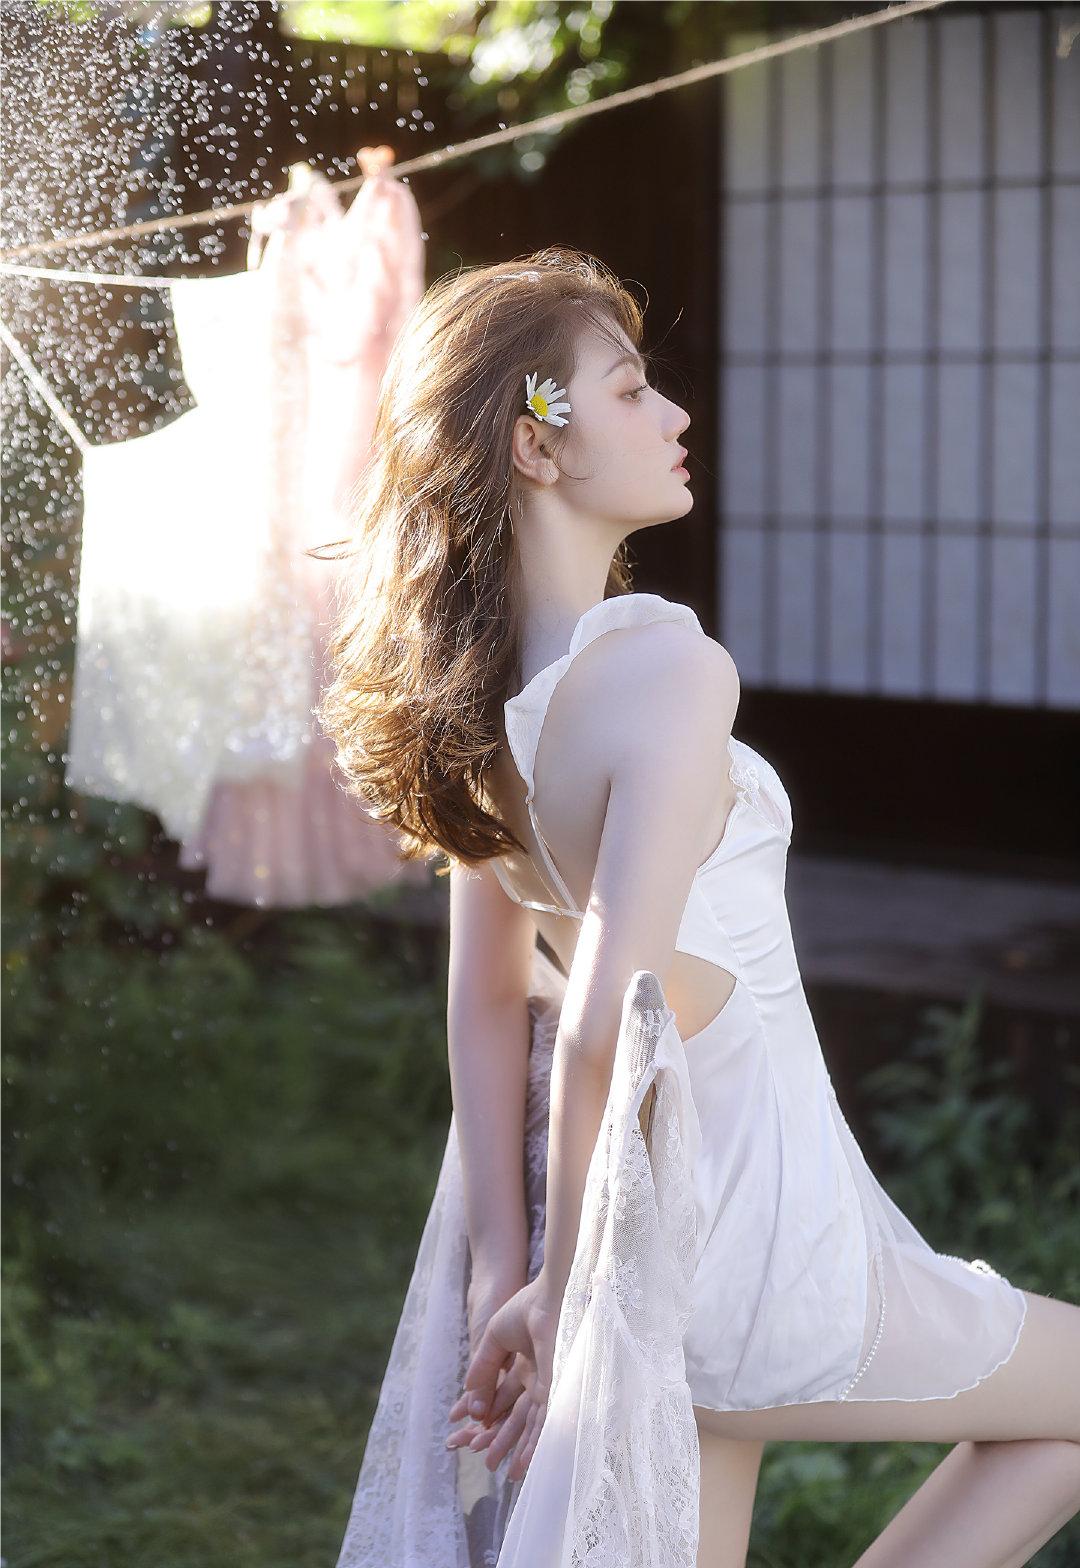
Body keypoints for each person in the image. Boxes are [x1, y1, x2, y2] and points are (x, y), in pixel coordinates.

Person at [315, 246, 1080, 1568]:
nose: (673, 414)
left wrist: (514, 1265)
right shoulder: (668, 667)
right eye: (628, 392)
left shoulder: (478, 699)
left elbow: (489, 1001)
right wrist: (559, 1291)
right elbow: (603, 1012)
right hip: (749, 1239)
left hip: (651, 1238)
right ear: (537, 446)